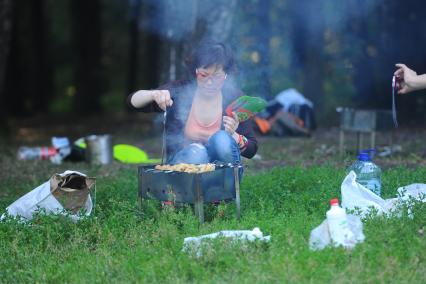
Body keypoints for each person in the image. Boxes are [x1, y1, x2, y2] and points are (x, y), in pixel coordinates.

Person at [127, 41, 258, 167]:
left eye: (217, 76)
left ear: (226, 75)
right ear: (195, 71)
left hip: (220, 171)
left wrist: (234, 136)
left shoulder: (234, 98)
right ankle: (185, 189)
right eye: (203, 75)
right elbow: (133, 102)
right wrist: (153, 95)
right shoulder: (180, 90)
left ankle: (225, 188)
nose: (209, 82)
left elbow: (252, 150)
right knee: (197, 153)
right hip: (183, 166)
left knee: (222, 139)